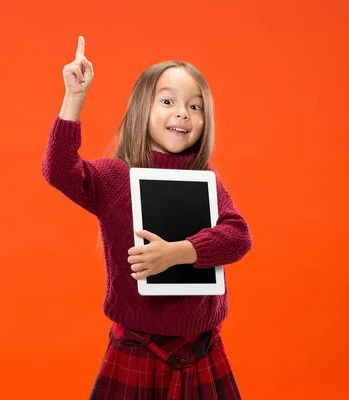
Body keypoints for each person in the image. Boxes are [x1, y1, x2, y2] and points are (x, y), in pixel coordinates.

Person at [42, 36, 252, 400]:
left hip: (201, 349)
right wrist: (73, 98)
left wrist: (178, 253)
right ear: (142, 109)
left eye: (195, 106)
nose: (183, 112)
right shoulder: (113, 178)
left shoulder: (207, 182)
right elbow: (59, 170)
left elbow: (238, 236)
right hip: (136, 350)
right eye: (168, 101)